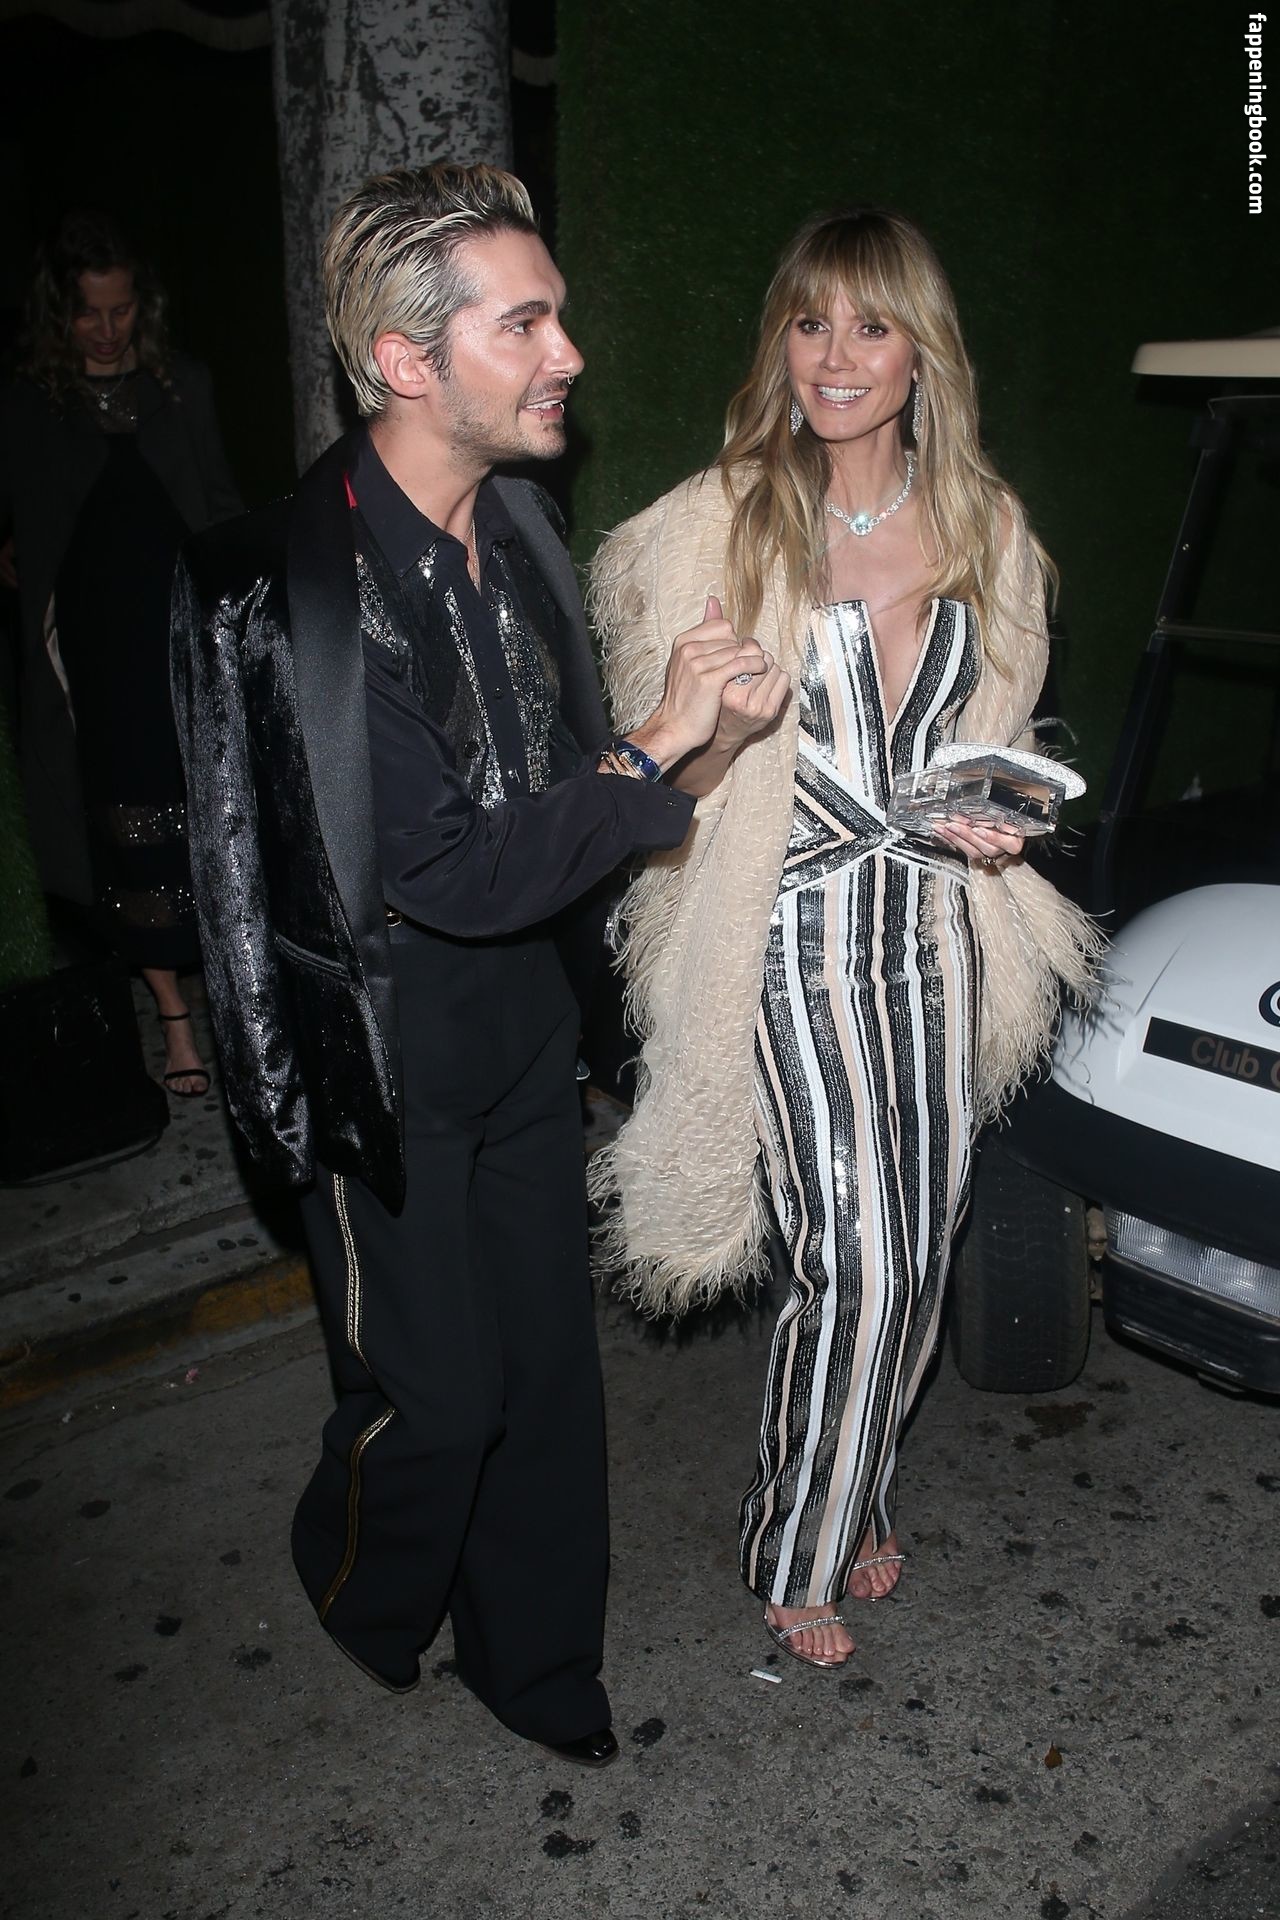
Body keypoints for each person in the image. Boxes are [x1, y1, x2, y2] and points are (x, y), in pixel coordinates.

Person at [168, 164, 779, 1762]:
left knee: (549, 1374)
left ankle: (536, 1660)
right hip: (384, 1058)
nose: (569, 352)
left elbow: (568, 809)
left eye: (555, 314)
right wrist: (655, 742)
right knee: (434, 1401)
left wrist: (703, 743)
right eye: (526, 324)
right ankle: (359, 1578)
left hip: (521, 1027)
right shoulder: (303, 591)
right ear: (406, 359)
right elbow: (440, 870)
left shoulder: (516, 525)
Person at [588, 207, 1101, 1669]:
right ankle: (796, 1542)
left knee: (919, 1245)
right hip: (782, 927)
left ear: (920, 353)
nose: (834, 356)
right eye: (809, 323)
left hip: (932, 926)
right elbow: (664, 786)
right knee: (856, 1256)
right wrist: (707, 724)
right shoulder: (711, 525)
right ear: (781, 344)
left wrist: (995, 817)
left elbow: (994, 742)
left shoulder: (990, 530)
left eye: (870, 326)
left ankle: (857, 1478)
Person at [0, 211, 242, 1093]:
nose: (107, 329)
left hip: (180, 637)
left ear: (144, 304)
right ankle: (173, 1015)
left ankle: (233, 993)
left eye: (121, 309)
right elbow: (34, 522)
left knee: (211, 810)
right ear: (58, 315)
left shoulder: (182, 385)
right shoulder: (33, 404)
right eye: (87, 313)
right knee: (126, 821)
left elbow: (217, 502)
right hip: (97, 656)